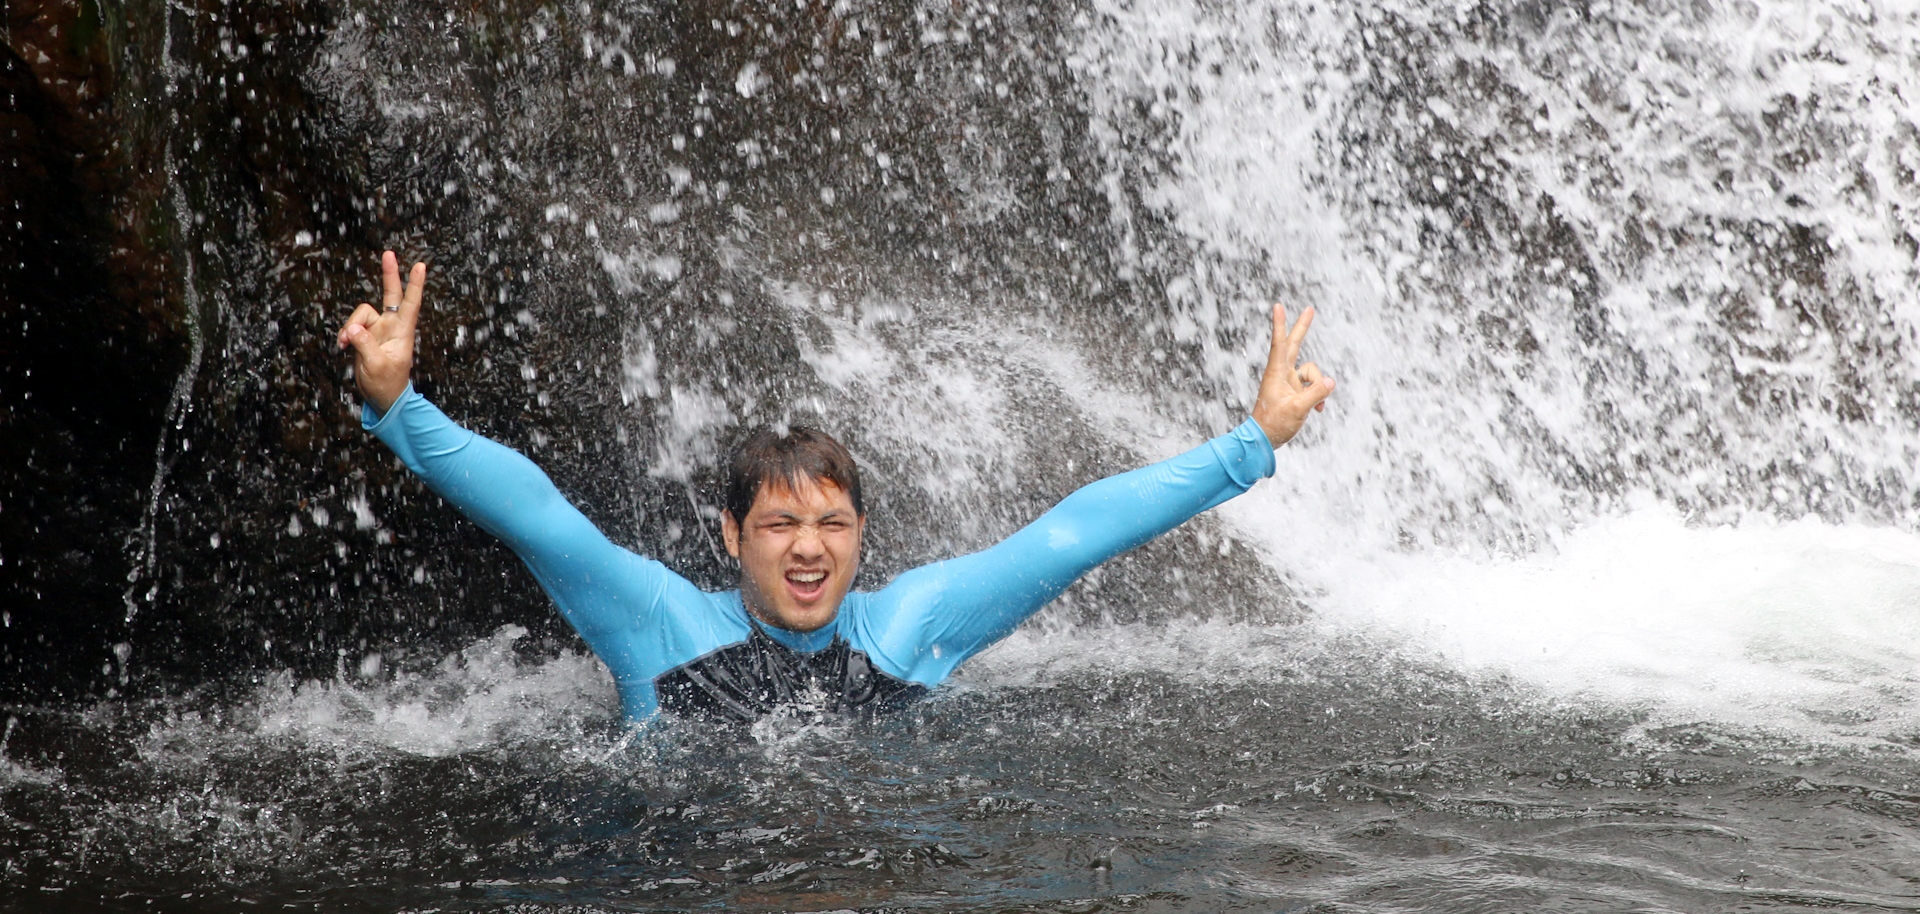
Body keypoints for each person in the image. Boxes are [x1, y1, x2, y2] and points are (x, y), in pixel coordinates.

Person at [337, 251, 1336, 722]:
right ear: (731, 536)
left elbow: (1072, 535)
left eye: (831, 521)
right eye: (779, 522)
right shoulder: (655, 622)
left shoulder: (914, 625)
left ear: (862, 535)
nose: (808, 545)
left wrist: (1251, 443)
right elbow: (536, 513)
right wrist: (400, 406)